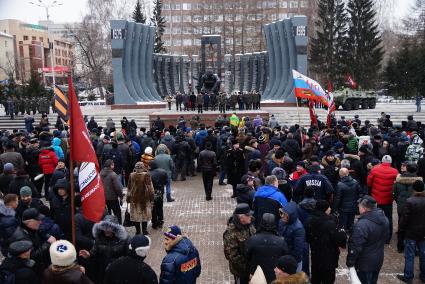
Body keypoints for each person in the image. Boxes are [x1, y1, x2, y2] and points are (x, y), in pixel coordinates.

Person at [346, 195, 389, 284]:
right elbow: (386, 236)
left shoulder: (362, 225)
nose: (358, 207)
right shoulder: (385, 219)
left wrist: (350, 261)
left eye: (359, 206)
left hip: (364, 264)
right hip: (378, 260)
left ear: (364, 208)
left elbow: (355, 246)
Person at [306, 200, 347, 284]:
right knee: (328, 279)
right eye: (329, 207)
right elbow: (339, 239)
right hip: (329, 257)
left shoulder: (310, 220)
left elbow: (308, 238)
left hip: (316, 255)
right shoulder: (330, 223)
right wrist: (342, 233)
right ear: (325, 209)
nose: (330, 209)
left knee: (316, 278)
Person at [79, 215, 129, 284]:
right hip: (102, 272)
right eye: (104, 227)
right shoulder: (99, 237)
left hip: (117, 271)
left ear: (115, 228)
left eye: (109, 227)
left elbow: (128, 257)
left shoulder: (123, 240)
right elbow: (95, 251)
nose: (106, 230)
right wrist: (89, 255)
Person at [246, 213, 289, 283]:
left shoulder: (253, 239)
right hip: (274, 276)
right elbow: (285, 257)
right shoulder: (281, 241)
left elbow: (247, 255)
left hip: (257, 275)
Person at [397, 180, 425, 283]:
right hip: (423, 233)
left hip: (411, 232)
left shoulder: (410, 201)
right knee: (423, 254)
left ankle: (408, 276)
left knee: (409, 255)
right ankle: (424, 275)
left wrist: (401, 229)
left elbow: (405, 219)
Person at [367, 155, 398, 243]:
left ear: (382, 161)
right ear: (390, 162)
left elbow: (369, 182)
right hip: (388, 199)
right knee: (388, 218)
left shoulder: (375, 169)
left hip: (376, 198)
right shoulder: (395, 171)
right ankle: (387, 238)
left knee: (374, 217)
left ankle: (375, 236)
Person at [393, 162, 423, 252]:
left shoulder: (398, 180)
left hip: (401, 205)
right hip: (415, 205)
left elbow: (395, 193)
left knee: (401, 225)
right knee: (414, 225)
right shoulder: (419, 181)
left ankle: (400, 246)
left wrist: (398, 201)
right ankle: (415, 248)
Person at [223, 203, 256, 284]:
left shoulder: (249, 223)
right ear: (241, 218)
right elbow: (232, 255)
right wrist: (248, 267)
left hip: (251, 267)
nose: (250, 217)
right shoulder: (231, 232)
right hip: (241, 271)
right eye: (248, 215)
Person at [127, 162, 154, 235]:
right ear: (143, 168)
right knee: (144, 215)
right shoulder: (147, 175)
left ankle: (138, 231)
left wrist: (128, 198)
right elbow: (150, 187)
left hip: (134, 199)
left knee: (136, 215)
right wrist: (152, 197)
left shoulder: (131, 175)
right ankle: (144, 231)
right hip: (144, 198)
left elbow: (129, 188)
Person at [278, 202, 305, 272]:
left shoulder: (298, 229)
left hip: (294, 261)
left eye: (285, 214)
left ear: (291, 215)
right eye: (282, 213)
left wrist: (284, 248)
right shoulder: (282, 222)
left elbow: (298, 251)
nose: (282, 216)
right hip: (284, 257)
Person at [100, 159, 123, 224]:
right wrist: (121, 196)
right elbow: (118, 188)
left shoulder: (100, 173)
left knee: (107, 214)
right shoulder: (113, 174)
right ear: (111, 165)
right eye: (113, 164)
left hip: (104, 198)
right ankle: (119, 227)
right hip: (113, 198)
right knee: (117, 213)